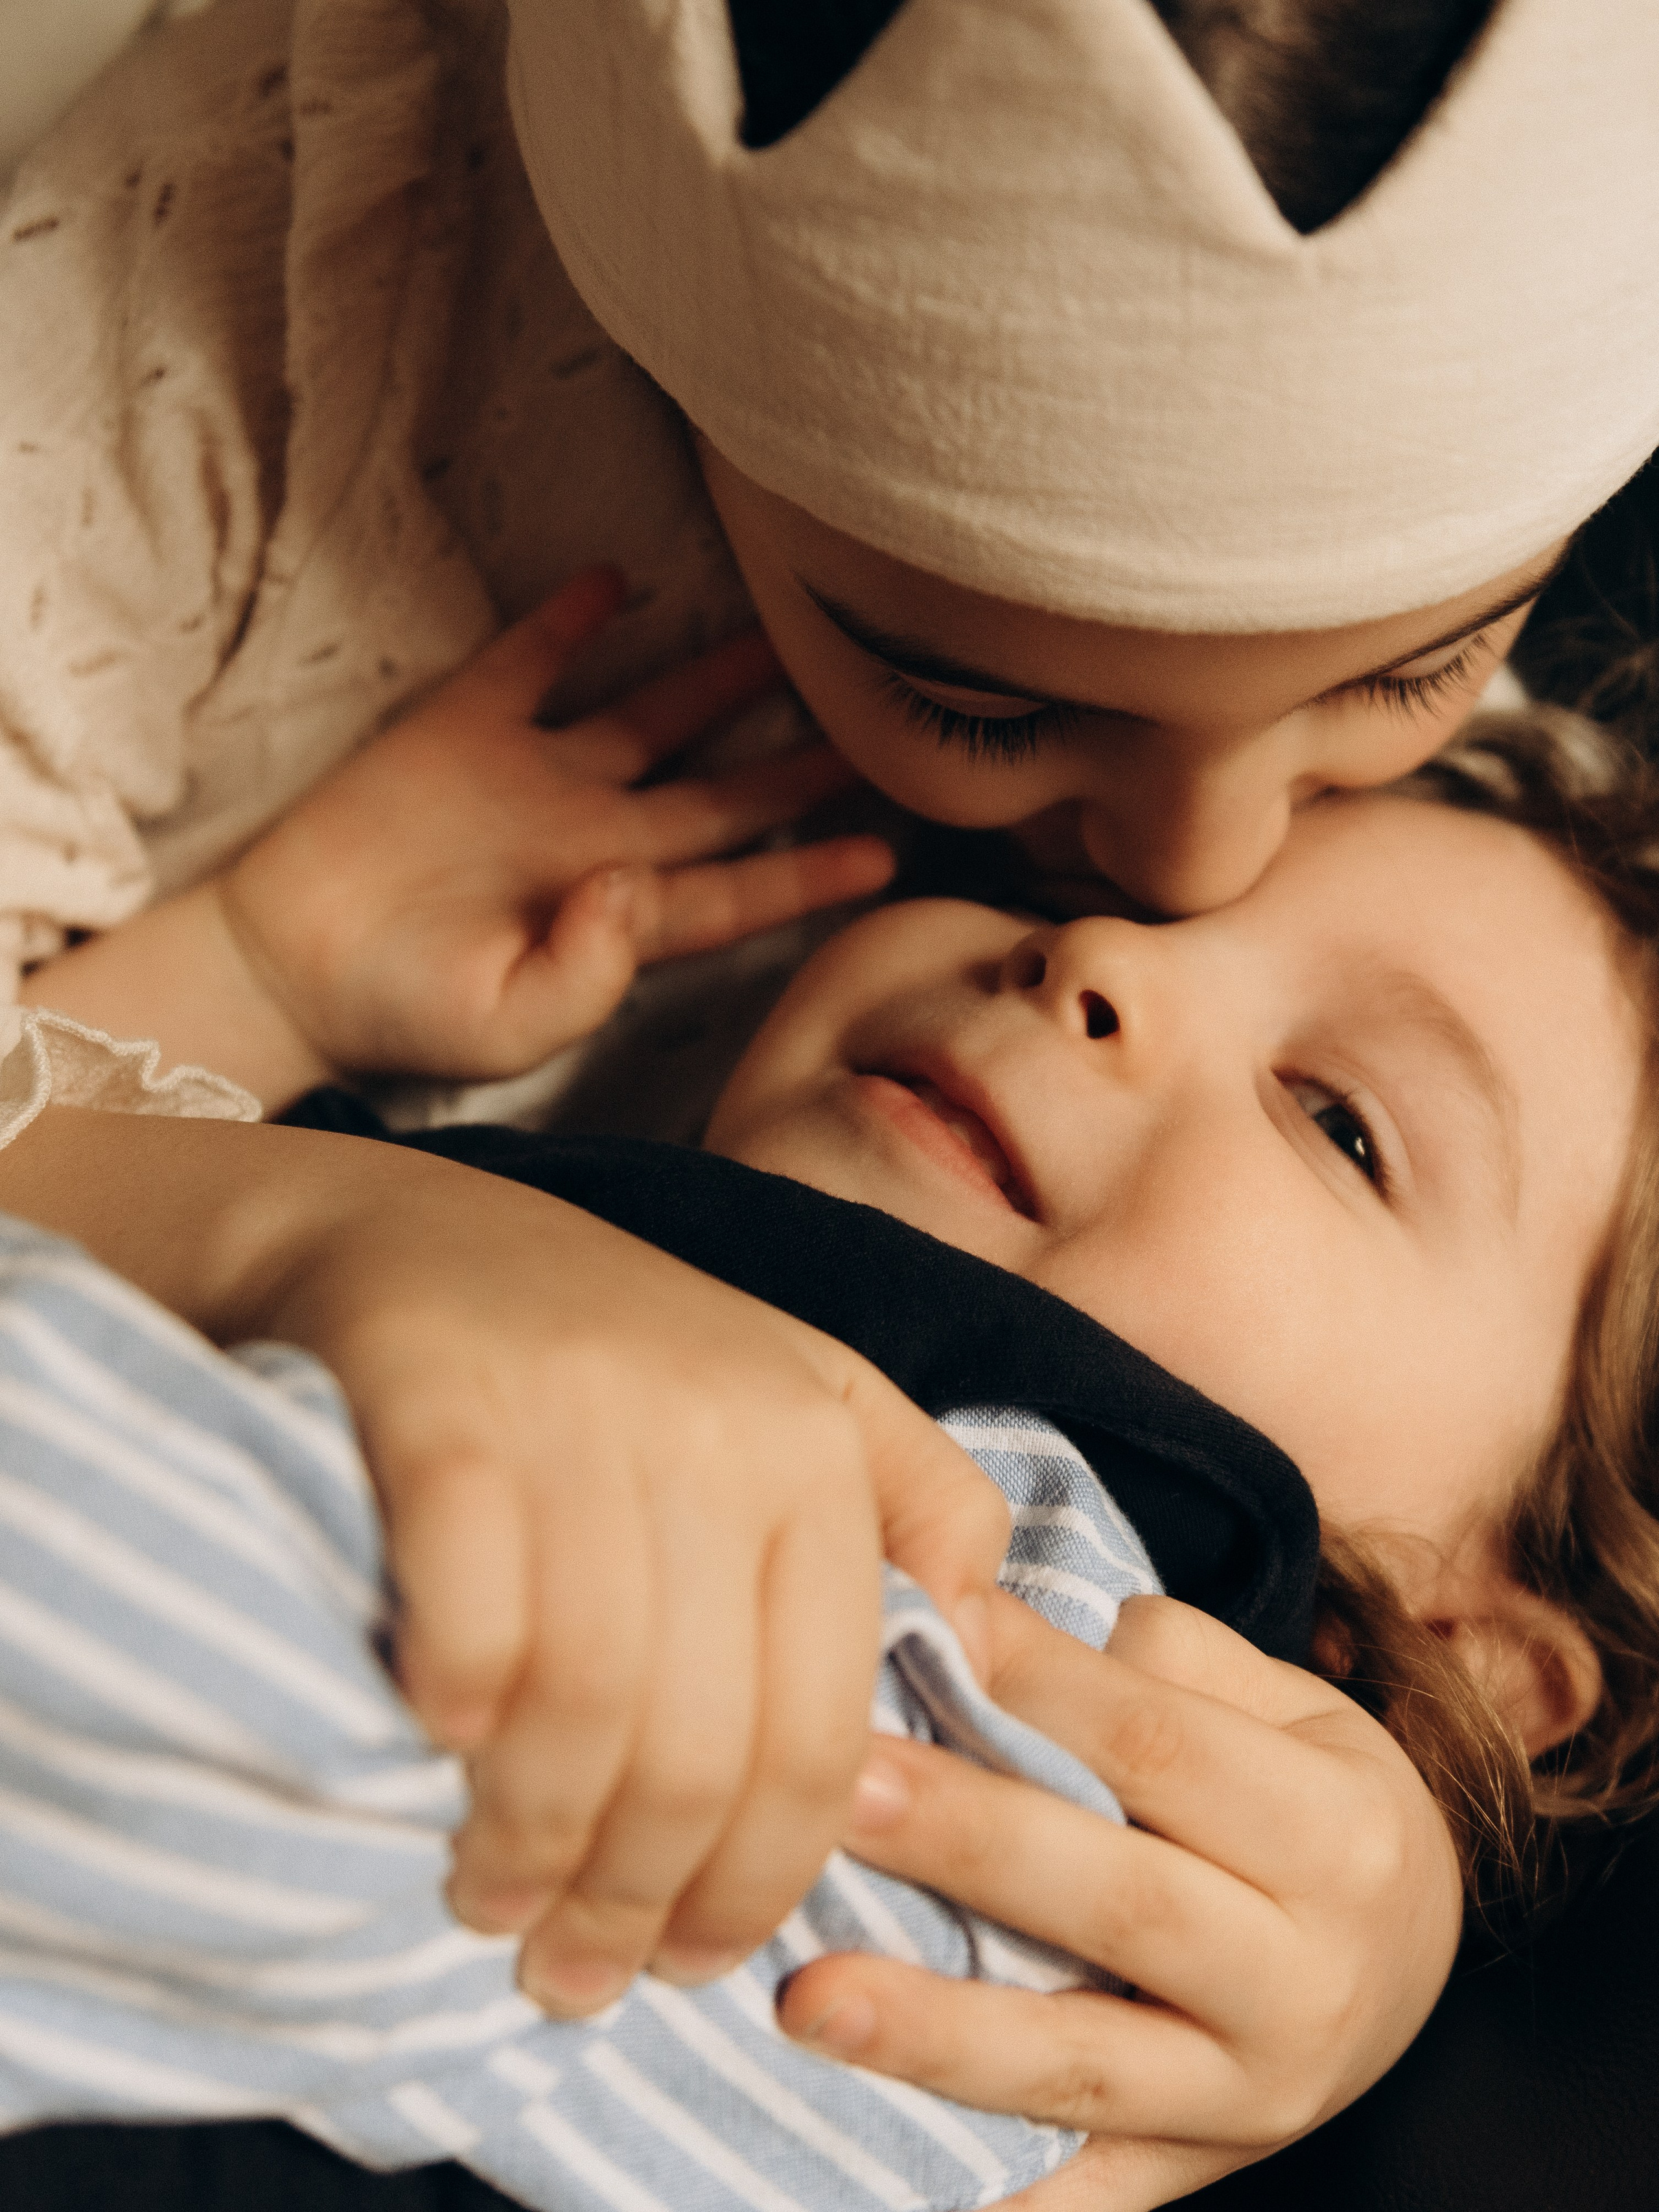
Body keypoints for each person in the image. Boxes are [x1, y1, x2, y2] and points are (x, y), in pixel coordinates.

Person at [2, 0, 1656, 2195]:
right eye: (974, 703)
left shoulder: (1060, 1651)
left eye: (1409, 676)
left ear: (1470, 1632)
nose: (1153, 906)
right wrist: (269, 1026)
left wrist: (1377, 1903)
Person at [1, 706, 1656, 2212]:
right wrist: (256, 990)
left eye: (1339, 1121)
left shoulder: (1057, 1646)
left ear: (1476, 1645)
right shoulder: (531, 1228)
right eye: (1085, 896)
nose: (1094, 956)